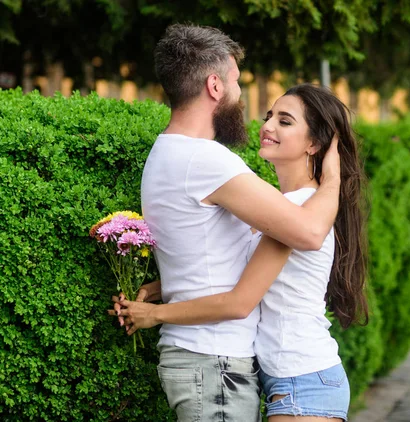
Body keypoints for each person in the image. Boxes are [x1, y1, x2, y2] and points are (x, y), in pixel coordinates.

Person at [115, 24, 342, 422]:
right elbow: (306, 232)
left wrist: (157, 291)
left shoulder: (166, 153)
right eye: (237, 82)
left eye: (283, 120)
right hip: (213, 363)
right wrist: (335, 178)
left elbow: (212, 259)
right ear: (215, 86)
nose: (246, 103)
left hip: (225, 365)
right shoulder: (207, 161)